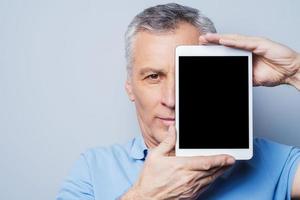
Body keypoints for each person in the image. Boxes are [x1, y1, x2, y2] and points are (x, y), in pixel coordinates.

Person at [56, 3, 300, 200]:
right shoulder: (93, 169)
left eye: (188, 76)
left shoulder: (273, 163)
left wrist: (295, 72)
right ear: (130, 86)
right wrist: (145, 197)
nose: (171, 99)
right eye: (153, 76)